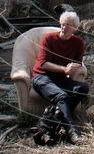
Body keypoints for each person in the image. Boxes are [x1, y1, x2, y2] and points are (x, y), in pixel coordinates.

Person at [31, 11, 88, 144]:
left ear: (75, 28)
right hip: (41, 77)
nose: (64, 27)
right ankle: (72, 132)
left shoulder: (78, 42)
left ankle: (55, 114)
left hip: (60, 78)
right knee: (62, 96)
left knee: (83, 88)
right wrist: (64, 69)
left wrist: (73, 67)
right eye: (62, 24)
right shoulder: (48, 38)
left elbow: (78, 63)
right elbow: (43, 64)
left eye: (68, 25)